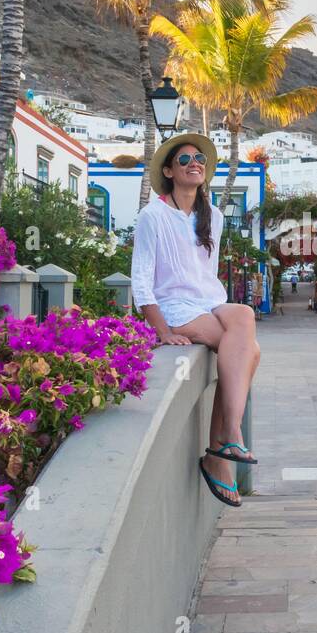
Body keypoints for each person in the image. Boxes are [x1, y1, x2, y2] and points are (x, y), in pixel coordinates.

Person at [131, 134, 261, 508]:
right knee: (248, 353)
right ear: (169, 171)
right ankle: (224, 443)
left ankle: (223, 445)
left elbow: (207, 275)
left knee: (245, 317)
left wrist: (213, 310)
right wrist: (163, 330)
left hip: (206, 303)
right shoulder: (152, 216)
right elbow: (141, 278)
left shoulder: (214, 217)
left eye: (199, 158)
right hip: (174, 308)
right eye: (185, 158)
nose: (194, 162)